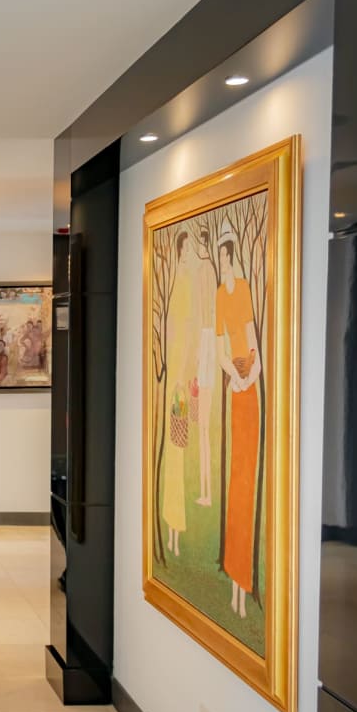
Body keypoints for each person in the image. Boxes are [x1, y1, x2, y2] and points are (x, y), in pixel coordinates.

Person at [215, 219, 260, 619]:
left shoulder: (243, 290)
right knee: (236, 481)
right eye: (221, 256)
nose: (224, 261)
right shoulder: (219, 295)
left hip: (250, 392)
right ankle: (234, 575)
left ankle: (244, 584)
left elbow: (253, 341)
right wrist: (235, 374)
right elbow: (220, 349)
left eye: (226, 255)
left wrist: (251, 374)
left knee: (247, 476)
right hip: (235, 386)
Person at [162, 231, 196, 557]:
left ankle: (176, 524)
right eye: (184, 253)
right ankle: (171, 523)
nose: (187, 258)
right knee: (173, 450)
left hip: (179, 374)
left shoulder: (186, 287)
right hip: (175, 371)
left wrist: (182, 376)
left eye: (189, 254)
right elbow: (176, 332)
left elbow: (186, 333)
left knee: (178, 447)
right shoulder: (178, 285)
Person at [193, 225, 218, 507]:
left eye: (203, 242)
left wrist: (202, 352)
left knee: (204, 427)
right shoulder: (204, 271)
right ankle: (205, 490)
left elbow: (208, 316)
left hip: (208, 346)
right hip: (204, 345)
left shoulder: (206, 272)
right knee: (201, 427)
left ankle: (208, 491)